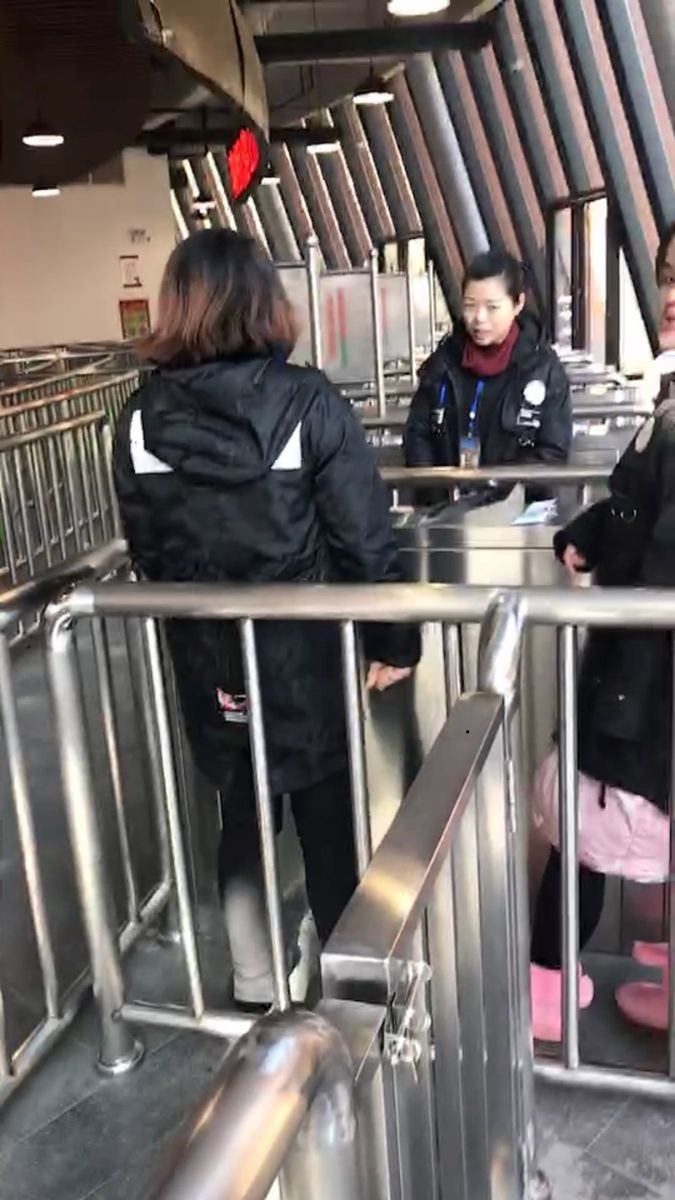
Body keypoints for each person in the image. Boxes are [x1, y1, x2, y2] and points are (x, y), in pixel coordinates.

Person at [113, 229, 421, 1011]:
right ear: (264, 302)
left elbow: (147, 549)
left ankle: (252, 985)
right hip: (304, 657)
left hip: (208, 660)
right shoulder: (308, 402)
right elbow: (363, 538)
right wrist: (393, 639)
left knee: (242, 817)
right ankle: (347, 995)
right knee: (327, 825)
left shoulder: (140, 419)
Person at [530, 221, 675, 1039]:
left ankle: (546, 987)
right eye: (667, 276)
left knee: (584, 826)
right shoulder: (668, 401)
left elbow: (657, 543)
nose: (670, 296)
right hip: (642, 669)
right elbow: (636, 507)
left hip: (645, 675)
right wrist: (590, 532)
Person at [403, 250, 571, 501]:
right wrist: (437, 494)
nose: (479, 318)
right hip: (446, 510)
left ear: (518, 304)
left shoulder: (543, 370)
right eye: (470, 306)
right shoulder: (443, 364)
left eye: (492, 307)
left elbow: (552, 451)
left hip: (518, 512)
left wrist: (497, 495)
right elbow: (417, 435)